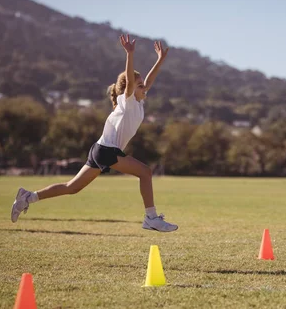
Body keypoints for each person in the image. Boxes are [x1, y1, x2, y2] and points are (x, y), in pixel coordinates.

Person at [11, 35, 178, 232]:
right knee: (145, 173)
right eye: (139, 85)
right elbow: (133, 83)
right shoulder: (128, 101)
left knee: (71, 188)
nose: (145, 88)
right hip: (107, 150)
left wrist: (159, 60)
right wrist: (129, 55)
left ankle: (27, 197)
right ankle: (151, 217)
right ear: (130, 89)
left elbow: (148, 81)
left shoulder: (138, 102)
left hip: (100, 149)